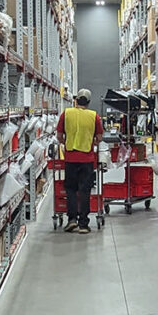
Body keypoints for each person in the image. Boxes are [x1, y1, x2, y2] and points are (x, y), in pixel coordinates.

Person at [56, 90, 102, 233]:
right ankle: (83, 224)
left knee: (70, 189)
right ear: (88, 102)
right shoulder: (94, 116)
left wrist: (67, 143)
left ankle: (71, 220)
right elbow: (99, 137)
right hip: (87, 159)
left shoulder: (66, 113)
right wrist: (91, 142)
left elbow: (59, 136)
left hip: (70, 158)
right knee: (85, 190)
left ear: (76, 100)